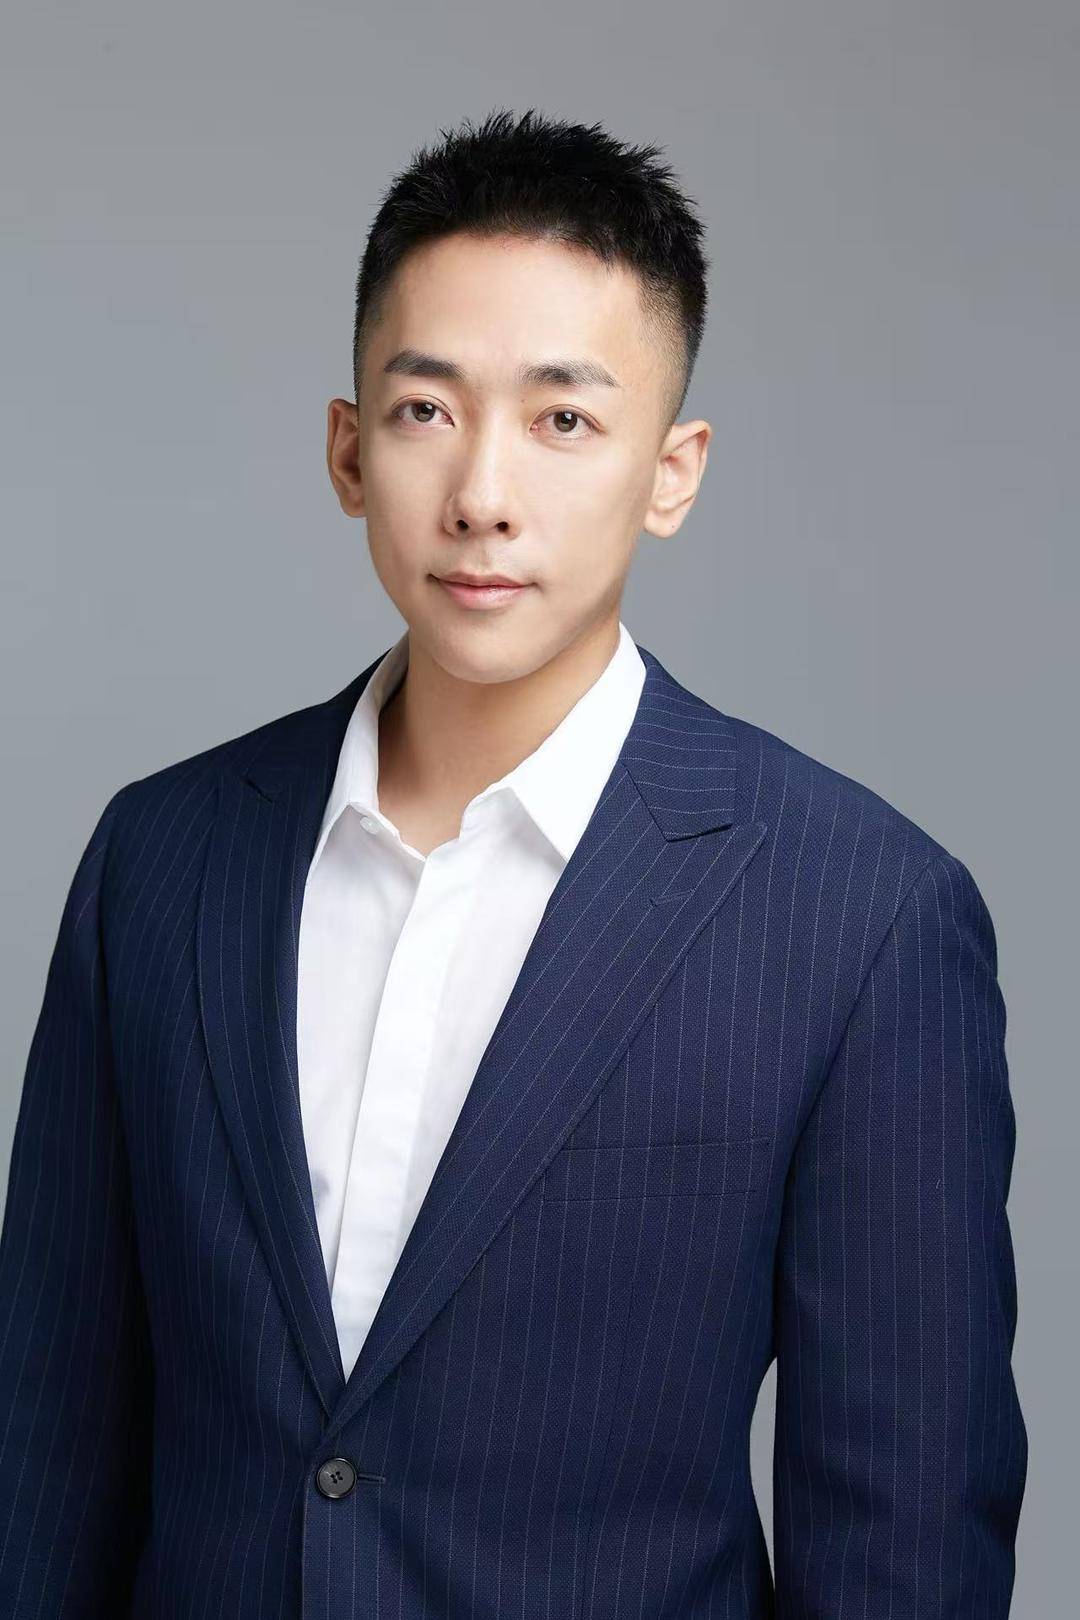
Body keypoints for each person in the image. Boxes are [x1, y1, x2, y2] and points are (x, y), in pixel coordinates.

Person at [0, 106, 1026, 1618]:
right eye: (426, 409)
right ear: (347, 450)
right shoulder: (161, 856)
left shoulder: (860, 916)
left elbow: (904, 1543)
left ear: (672, 471)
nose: (482, 492)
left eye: (564, 421)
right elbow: (44, 1443)